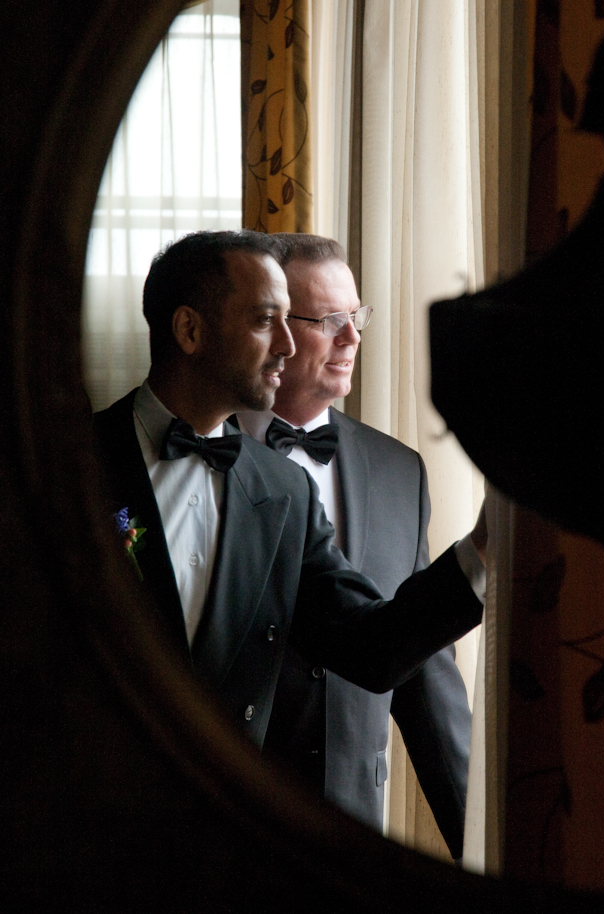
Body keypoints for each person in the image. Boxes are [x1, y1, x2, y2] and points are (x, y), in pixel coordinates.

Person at [93, 230, 484, 769]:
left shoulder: (285, 490)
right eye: (264, 320)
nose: (287, 344)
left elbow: (371, 645)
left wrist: (483, 548)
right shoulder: (65, 460)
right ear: (189, 330)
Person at [235, 233, 480, 858]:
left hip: (352, 829)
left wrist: (483, 849)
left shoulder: (399, 470)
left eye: (357, 317)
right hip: (229, 811)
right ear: (275, 330)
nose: (353, 339)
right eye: (330, 321)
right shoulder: (205, 453)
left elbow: (424, 670)